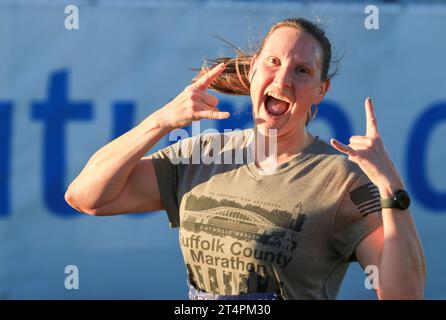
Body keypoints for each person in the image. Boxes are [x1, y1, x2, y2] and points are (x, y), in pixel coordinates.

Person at [65, 17, 426, 300]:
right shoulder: (202, 154)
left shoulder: (342, 180)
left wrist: (391, 186)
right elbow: (85, 197)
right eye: (273, 61)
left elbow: (403, 294)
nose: (283, 77)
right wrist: (161, 121)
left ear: (320, 90)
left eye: (302, 70)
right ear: (253, 70)